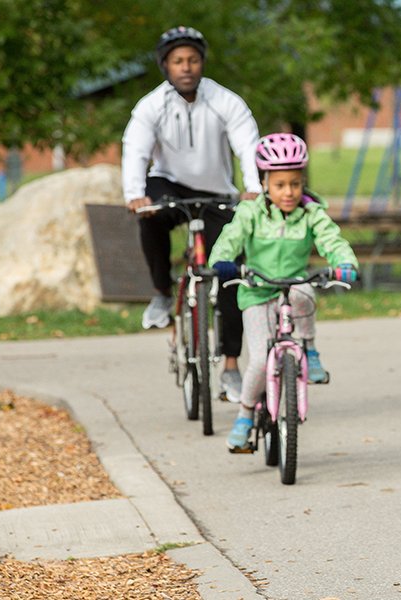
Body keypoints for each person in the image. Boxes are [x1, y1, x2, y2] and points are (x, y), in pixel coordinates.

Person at [122, 25, 262, 401]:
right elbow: (135, 148)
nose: (186, 67)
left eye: (193, 60)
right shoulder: (152, 105)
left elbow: (247, 143)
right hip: (168, 184)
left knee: (230, 274)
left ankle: (231, 368)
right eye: (178, 61)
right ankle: (161, 294)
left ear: (202, 63)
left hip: (217, 192)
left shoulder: (224, 100)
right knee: (149, 214)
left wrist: (254, 188)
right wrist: (135, 194)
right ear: (165, 65)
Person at [207, 133, 359, 451]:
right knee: (260, 362)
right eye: (280, 185)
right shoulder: (251, 212)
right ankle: (245, 414)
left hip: (291, 286)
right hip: (256, 291)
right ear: (264, 183)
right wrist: (222, 261)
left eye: (295, 183)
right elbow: (231, 236)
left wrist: (344, 262)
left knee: (305, 290)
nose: (288, 192)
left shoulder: (311, 212)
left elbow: (331, 239)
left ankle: (310, 351)